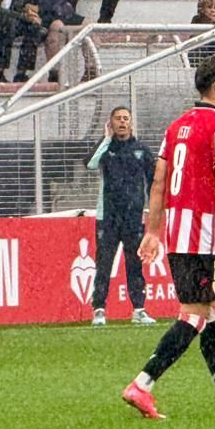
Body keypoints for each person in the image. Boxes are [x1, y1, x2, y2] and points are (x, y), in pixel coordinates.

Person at [123, 56, 215, 419]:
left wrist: (154, 231)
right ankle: (142, 384)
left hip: (178, 231)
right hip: (200, 234)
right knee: (195, 314)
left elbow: (159, 182)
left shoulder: (176, 126)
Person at [87, 106, 154, 327]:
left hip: (133, 218)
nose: (122, 122)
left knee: (134, 263)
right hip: (108, 217)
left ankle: (139, 309)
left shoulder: (141, 150)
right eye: (118, 118)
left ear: (131, 123)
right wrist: (106, 140)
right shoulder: (106, 149)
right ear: (111, 123)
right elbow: (90, 163)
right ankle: (99, 309)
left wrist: (153, 210)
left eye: (126, 118)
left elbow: (153, 182)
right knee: (104, 263)